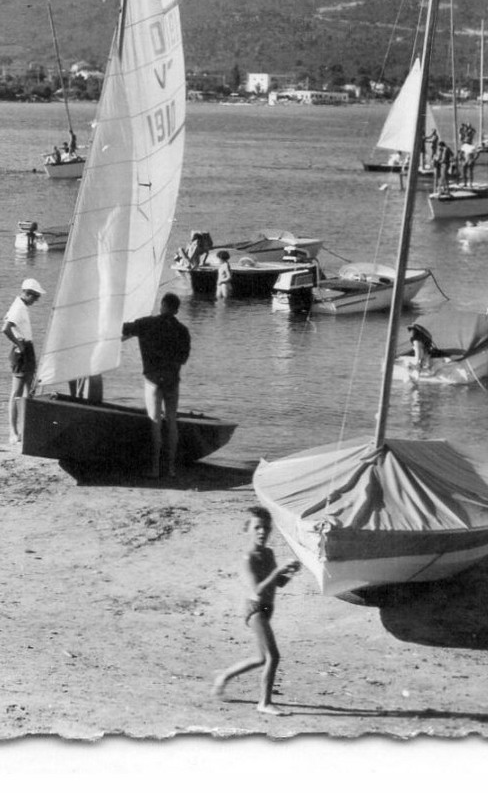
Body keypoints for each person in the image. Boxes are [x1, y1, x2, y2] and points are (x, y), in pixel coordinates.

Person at [212, 506, 301, 715]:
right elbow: (257, 590)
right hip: (254, 609)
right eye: (257, 527)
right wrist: (278, 570)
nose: (262, 532)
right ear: (247, 529)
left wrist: (291, 571)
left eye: (266, 528)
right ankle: (264, 703)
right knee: (274, 657)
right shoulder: (248, 558)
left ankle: (223, 677)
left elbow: (278, 583)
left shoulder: (268, 553)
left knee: (262, 658)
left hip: (268, 609)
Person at [121, 292, 191, 479]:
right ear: (177, 310)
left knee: (155, 421)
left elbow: (122, 329)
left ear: (162, 305)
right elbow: (183, 359)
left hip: (152, 379)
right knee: (171, 421)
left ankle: (154, 468)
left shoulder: (146, 323)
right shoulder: (183, 331)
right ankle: (170, 469)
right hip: (172, 380)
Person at [1, 278, 43, 445]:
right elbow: (5, 328)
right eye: (35, 297)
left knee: (29, 391)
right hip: (22, 350)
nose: (36, 300)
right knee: (17, 393)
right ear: (28, 293)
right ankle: (14, 432)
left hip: (26, 349)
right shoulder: (18, 306)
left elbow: (6, 320)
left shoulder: (20, 306)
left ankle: (26, 431)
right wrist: (18, 344)